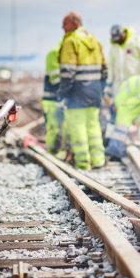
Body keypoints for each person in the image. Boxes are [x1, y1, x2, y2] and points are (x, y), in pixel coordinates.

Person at [58, 11, 107, 170]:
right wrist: (100, 88)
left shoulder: (71, 41)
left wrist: (63, 93)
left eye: (65, 24)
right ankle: (98, 160)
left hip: (77, 92)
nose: (62, 28)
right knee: (93, 126)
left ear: (74, 23)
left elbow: (67, 72)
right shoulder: (95, 40)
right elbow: (104, 70)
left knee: (77, 127)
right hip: (94, 91)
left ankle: (83, 163)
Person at [105, 25, 140, 103]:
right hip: (120, 86)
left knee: (137, 109)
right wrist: (108, 84)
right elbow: (111, 67)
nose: (118, 41)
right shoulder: (113, 47)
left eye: (119, 38)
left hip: (137, 84)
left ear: (123, 33)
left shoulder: (138, 41)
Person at [42, 45, 65, 157]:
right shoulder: (54, 54)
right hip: (51, 100)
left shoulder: (63, 54)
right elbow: (56, 79)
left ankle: (59, 152)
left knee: (61, 127)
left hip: (59, 100)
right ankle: (51, 153)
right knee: (53, 128)